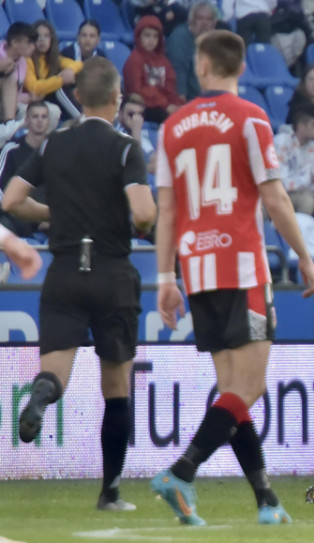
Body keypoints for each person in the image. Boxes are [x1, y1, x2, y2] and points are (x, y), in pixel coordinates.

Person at [151, 29, 314, 526]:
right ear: (241, 67)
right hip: (242, 266)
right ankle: (182, 472)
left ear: (201, 65)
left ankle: (266, 499)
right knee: (248, 388)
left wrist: (165, 277)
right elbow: (275, 198)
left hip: (197, 271)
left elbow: (166, 210)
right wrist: (306, 258)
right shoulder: (251, 118)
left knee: (232, 390)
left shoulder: (173, 127)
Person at [3, 57, 157, 511]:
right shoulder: (126, 148)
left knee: (56, 370)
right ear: (115, 99)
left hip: (65, 271)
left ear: (79, 99)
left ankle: (42, 395)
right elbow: (145, 213)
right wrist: (139, 221)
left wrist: (58, 213)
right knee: (117, 386)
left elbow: (12, 198)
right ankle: (109, 492)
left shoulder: (54, 144)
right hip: (111, 272)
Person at [0, 101, 51, 239]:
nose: (40, 121)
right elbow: (1, 190)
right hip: (17, 217)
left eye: (43, 117)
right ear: (27, 120)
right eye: (35, 117)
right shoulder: (11, 150)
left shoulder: (54, 150)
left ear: (48, 121)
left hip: (47, 217)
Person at [123, 15, 184, 123]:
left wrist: (175, 105)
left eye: (155, 36)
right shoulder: (134, 60)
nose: (151, 40)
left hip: (162, 107)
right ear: (139, 36)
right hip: (141, 107)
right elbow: (137, 92)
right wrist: (166, 105)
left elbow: (170, 88)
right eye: (147, 35)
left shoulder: (164, 62)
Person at [26, 21, 83, 124]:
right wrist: (60, 80)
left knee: (79, 79)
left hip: (52, 100)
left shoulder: (54, 59)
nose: (42, 39)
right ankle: (83, 119)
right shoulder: (27, 59)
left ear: (51, 40)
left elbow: (78, 64)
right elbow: (34, 88)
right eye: (38, 36)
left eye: (46, 36)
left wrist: (69, 71)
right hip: (35, 99)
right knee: (59, 90)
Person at [166, 1, 219, 102]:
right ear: (191, 20)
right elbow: (178, 72)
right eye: (200, 18)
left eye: (209, 19)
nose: (205, 23)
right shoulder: (180, 38)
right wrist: (181, 101)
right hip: (189, 101)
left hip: (210, 101)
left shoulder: (214, 42)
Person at [0, 23, 36, 142]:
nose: (33, 47)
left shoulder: (23, 62)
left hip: (12, 105)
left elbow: (16, 92)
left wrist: (28, 97)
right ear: (14, 42)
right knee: (9, 78)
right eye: (29, 42)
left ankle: (35, 149)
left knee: (49, 111)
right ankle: (9, 124)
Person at [115, 93, 156, 175]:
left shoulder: (146, 131)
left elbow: (157, 165)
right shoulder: (115, 135)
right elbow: (136, 166)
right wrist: (136, 131)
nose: (136, 118)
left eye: (140, 114)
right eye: (131, 114)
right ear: (120, 113)